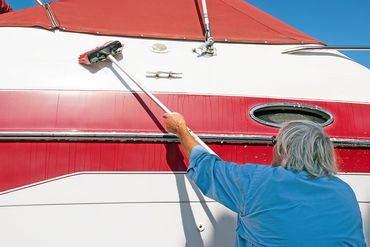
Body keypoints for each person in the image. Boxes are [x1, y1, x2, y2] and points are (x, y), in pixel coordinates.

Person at [163, 112, 366, 247]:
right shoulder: (344, 192)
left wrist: (180, 128)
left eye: (274, 141)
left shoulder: (258, 181)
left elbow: (206, 167)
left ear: (285, 149)